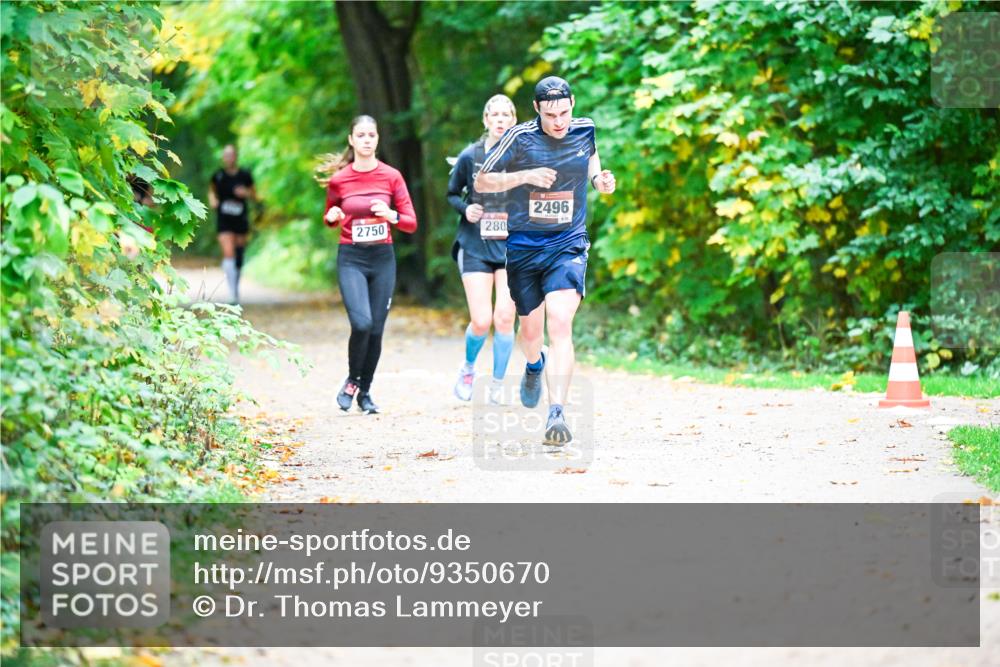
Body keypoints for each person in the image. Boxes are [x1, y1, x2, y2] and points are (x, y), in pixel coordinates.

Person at [475, 76, 616, 445]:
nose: (559, 122)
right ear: (536, 109)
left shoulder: (584, 129)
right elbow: (483, 181)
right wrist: (525, 175)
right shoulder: (519, 137)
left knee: (560, 322)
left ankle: (557, 415)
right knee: (531, 334)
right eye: (551, 115)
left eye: (565, 113)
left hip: (568, 243)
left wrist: (600, 181)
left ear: (573, 105)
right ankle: (534, 365)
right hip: (523, 246)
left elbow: (592, 162)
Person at [317, 115, 418, 415]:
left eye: (371, 135)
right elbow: (329, 214)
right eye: (360, 135)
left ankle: (365, 392)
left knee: (376, 330)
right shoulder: (340, 179)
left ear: (377, 139)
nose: (366, 140)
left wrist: (391, 215)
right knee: (361, 323)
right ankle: (352, 379)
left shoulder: (391, 176)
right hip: (352, 258)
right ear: (351, 139)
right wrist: (332, 218)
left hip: (382, 259)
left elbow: (411, 223)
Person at [447, 94, 519, 404]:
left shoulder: (523, 157)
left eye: (507, 115)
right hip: (475, 245)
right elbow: (451, 194)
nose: (501, 120)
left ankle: (498, 383)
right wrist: (466, 209)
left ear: (514, 121)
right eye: (496, 115)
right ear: (486, 120)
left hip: (511, 248)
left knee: (505, 317)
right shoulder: (469, 156)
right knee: (482, 320)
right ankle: (468, 368)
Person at [208, 144, 256, 304]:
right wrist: (213, 201)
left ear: (236, 157)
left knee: (239, 257)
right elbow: (211, 191)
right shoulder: (218, 176)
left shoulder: (244, 175)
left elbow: (254, 195)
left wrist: (246, 193)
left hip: (240, 219)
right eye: (226, 155)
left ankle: (235, 287)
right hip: (224, 219)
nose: (228, 158)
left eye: (231, 155)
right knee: (229, 253)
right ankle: (232, 294)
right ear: (223, 158)